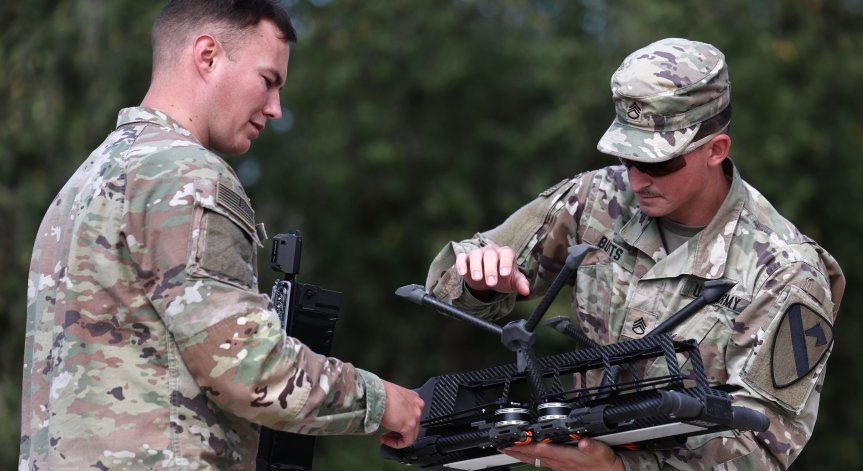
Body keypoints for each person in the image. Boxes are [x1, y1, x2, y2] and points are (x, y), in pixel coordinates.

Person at [20, 1, 423, 469]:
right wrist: (383, 401)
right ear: (208, 56)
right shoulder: (188, 175)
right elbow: (251, 369)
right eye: (268, 81)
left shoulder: (82, 184)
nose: (275, 109)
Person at [425, 38, 845, 470]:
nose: (637, 179)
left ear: (716, 150)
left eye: (659, 163)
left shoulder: (785, 271)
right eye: (628, 157)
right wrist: (478, 281)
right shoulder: (597, 199)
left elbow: (764, 445)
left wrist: (620, 469)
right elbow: (445, 287)